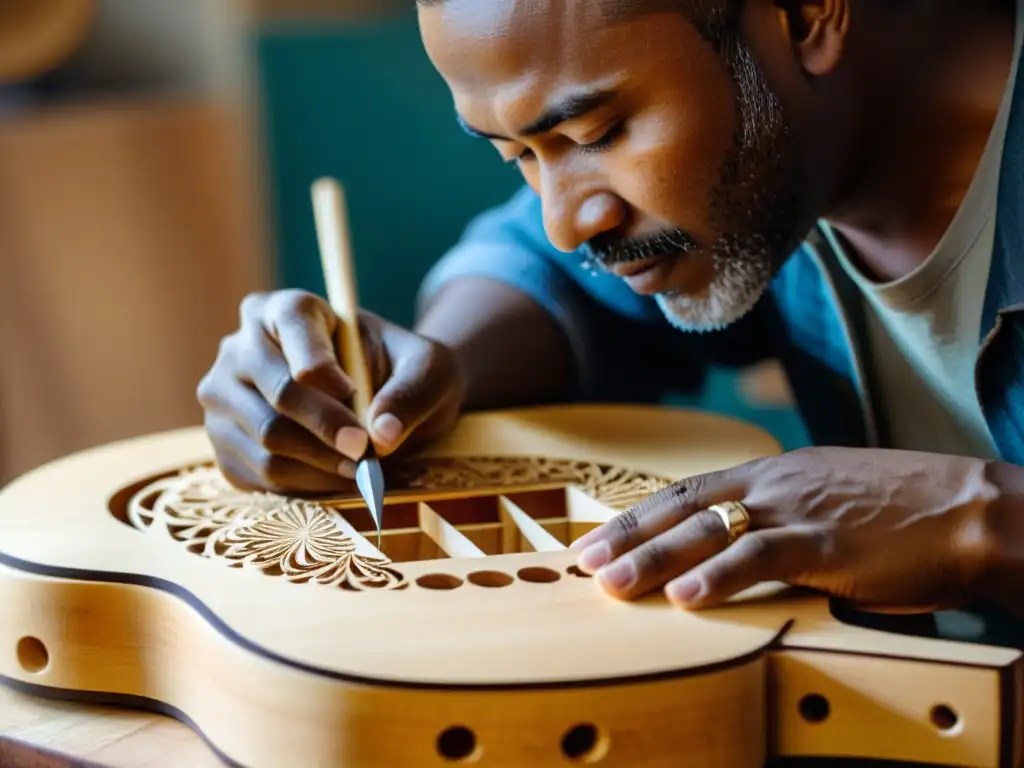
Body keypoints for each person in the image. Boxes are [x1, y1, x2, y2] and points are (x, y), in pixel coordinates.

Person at [197, 0, 1024, 623]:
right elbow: (536, 273)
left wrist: (982, 520)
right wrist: (421, 371)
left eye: (595, 134)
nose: (568, 221)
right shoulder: (774, 163)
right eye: (517, 154)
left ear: (807, 13)